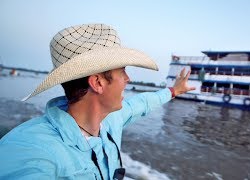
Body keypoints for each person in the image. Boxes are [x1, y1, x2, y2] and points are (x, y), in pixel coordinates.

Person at [0, 23, 195, 179]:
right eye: (122, 71)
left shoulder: (111, 119)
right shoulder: (31, 148)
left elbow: (141, 104)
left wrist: (174, 90)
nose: (129, 79)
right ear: (98, 82)